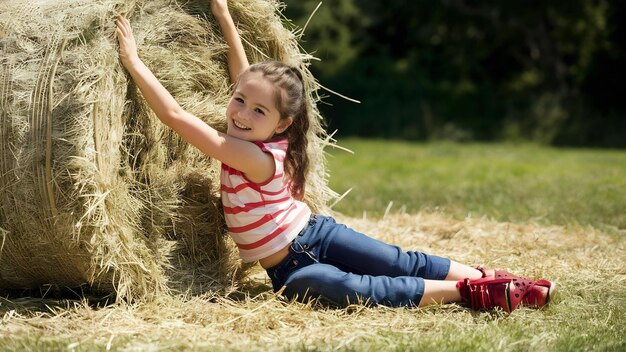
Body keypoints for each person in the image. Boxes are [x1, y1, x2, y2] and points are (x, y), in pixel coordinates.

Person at [114, 0, 556, 313]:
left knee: (386, 273)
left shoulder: (253, 157)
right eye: (239, 101)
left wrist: (134, 62)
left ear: (282, 124)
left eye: (259, 110)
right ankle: (483, 284)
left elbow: (173, 115)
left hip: (303, 248)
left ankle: (479, 286)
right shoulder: (260, 132)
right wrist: (225, 15)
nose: (242, 114)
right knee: (372, 278)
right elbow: (245, 76)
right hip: (301, 249)